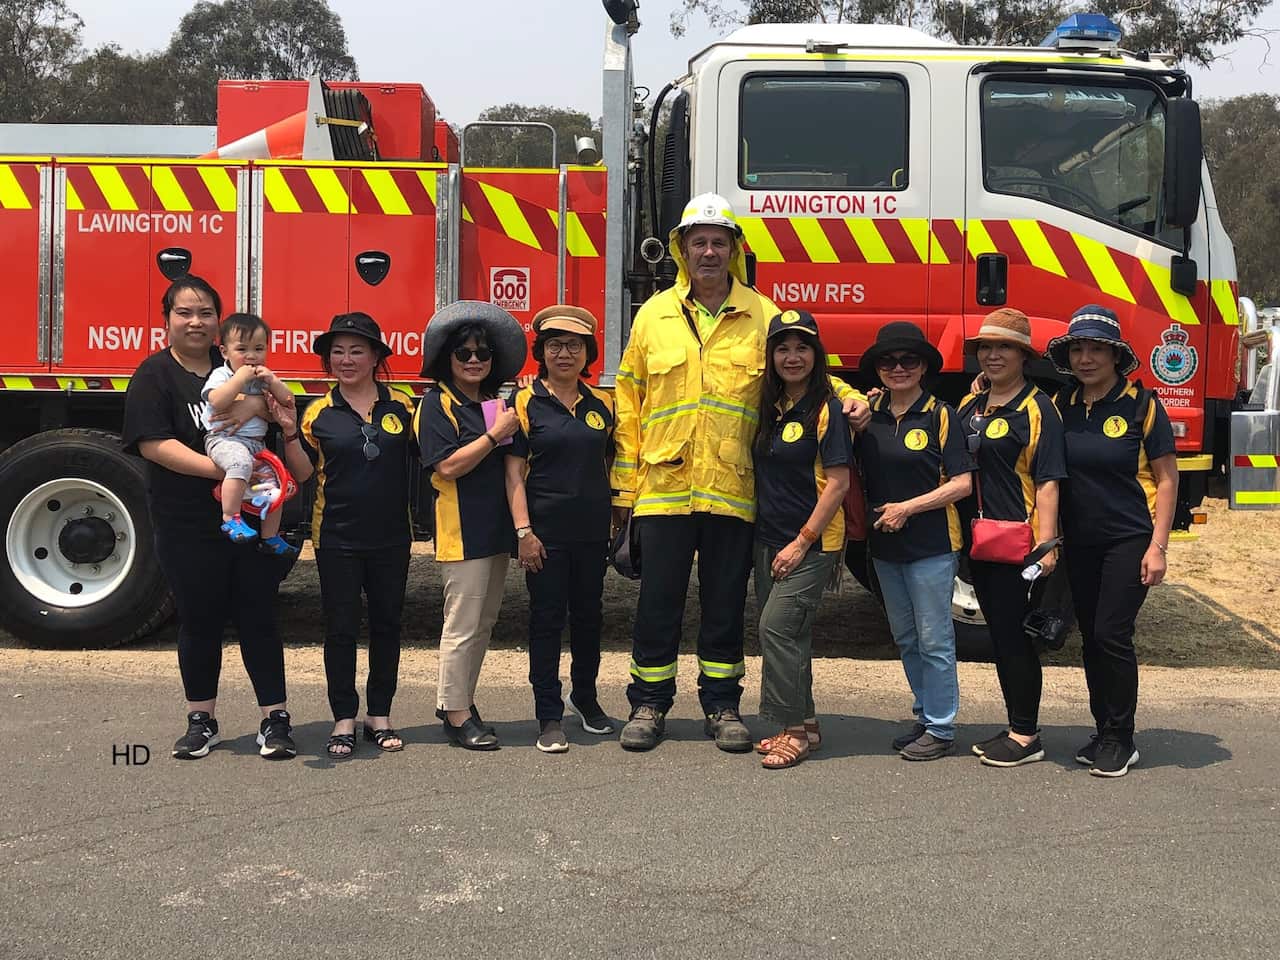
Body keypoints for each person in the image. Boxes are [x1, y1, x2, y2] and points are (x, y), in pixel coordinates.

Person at [611, 192, 870, 753]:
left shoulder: (763, 314)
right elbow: (629, 401)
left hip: (733, 489)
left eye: (718, 242)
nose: (708, 252)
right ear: (681, 249)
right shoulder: (653, 315)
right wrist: (624, 491)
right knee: (657, 603)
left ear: (734, 250)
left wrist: (851, 396)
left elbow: (805, 370)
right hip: (663, 488)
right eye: (698, 242)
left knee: (725, 604)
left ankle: (722, 705)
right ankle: (649, 705)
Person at [122, 275, 295, 761]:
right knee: (199, 619)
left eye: (205, 313)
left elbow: (282, 408)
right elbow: (153, 445)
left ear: (219, 323)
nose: (195, 321)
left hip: (253, 516)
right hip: (186, 521)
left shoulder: (239, 365)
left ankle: (275, 719)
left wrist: (258, 402)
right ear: (167, 320)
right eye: (184, 312)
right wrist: (222, 472)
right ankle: (202, 720)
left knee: (260, 615)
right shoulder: (154, 374)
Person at [273, 313, 416, 759]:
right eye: (337, 352)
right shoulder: (319, 413)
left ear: (375, 357)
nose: (346, 359)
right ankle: (344, 718)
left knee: (388, 625)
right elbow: (301, 474)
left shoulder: (403, 405)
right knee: (340, 628)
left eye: (357, 350)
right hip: (336, 536)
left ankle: (380, 715)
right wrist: (289, 431)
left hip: (392, 537)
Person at [1047, 304, 1177, 778]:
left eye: (1096, 350)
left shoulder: (1142, 405)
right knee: (1089, 638)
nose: (1085, 359)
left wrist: (1158, 547)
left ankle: (1122, 737)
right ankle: (1103, 731)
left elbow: (1167, 479)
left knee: (1111, 634)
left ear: (1116, 356)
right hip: (1078, 542)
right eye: (1077, 349)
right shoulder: (1059, 404)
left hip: (1129, 539)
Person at [856, 321, 974, 761]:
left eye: (909, 360)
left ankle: (941, 728)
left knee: (935, 640)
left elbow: (962, 484)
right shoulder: (868, 416)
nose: (898, 368)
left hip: (933, 545)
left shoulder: (941, 414)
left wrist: (907, 508)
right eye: (888, 361)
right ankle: (926, 716)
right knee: (906, 637)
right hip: (885, 548)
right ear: (878, 369)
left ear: (924, 367)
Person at [956, 309, 1067, 768]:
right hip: (978, 543)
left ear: (1024, 355)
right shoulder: (971, 406)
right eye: (986, 347)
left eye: (1005, 347)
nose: (993, 354)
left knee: (1015, 639)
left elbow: (1048, 481)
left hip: (1018, 545)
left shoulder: (1039, 408)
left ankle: (1026, 734)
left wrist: (1047, 545)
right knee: (1001, 637)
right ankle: (1016, 725)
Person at [416, 301, 527, 751]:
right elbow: (447, 466)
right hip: (460, 531)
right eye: (464, 353)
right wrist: (494, 435)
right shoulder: (435, 404)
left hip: (495, 530)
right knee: (461, 625)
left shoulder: (494, 405)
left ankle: (462, 700)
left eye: (483, 353)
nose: (475, 360)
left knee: (483, 623)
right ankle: (455, 711)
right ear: (448, 358)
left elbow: (511, 469)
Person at [505, 305, 616, 754]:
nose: (564, 353)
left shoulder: (604, 404)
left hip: (592, 534)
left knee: (590, 619)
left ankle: (585, 698)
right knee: (547, 621)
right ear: (542, 352)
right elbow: (513, 475)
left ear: (588, 352)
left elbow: (611, 464)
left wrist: (617, 521)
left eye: (574, 345)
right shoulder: (523, 402)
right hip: (544, 535)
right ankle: (549, 714)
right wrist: (523, 532)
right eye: (554, 345)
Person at [750, 311, 852, 770]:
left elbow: (838, 483)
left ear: (817, 354)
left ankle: (790, 731)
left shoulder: (828, 409)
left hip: (811, 543)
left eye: (802, 348)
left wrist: (802, 541)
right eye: (783, 348)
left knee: (775, 628)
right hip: (769, 539)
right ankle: (806, 721)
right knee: (794, 634)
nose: (793, 357)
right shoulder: (770, 407)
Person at [201, 312, 298, 554]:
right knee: (240, 463)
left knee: (277, 485)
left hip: (255, 444)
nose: (251, 356)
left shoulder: (263, 378)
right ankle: (230, 518)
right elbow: (217, 400)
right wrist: (239, 379)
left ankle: (270, 537)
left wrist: (273, 381)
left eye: (259, 349)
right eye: (242, 349)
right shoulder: (222, 375)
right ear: (224, 352)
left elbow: (288, 401)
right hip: (224, 440)